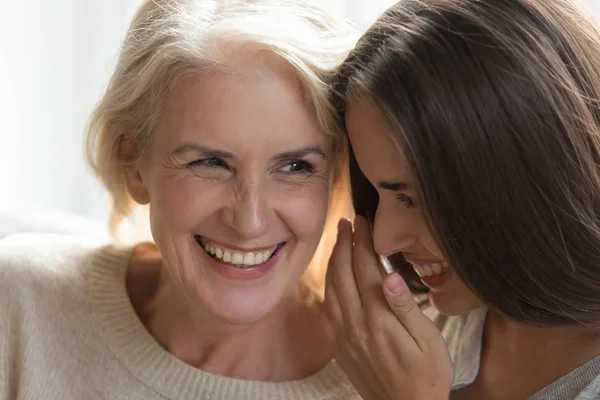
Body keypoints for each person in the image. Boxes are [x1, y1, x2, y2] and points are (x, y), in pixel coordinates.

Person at [0, 0, 360, 398]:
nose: (249, 221)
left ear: (337, 174)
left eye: (295, 167)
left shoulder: (391, 379)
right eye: (210, 163)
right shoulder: (23, 304)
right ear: (134, 164)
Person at [322, 0, 600, 399]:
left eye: (415, 200)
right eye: (377, 192)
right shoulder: (398, 337)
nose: (383, 242)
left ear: (534, 178)